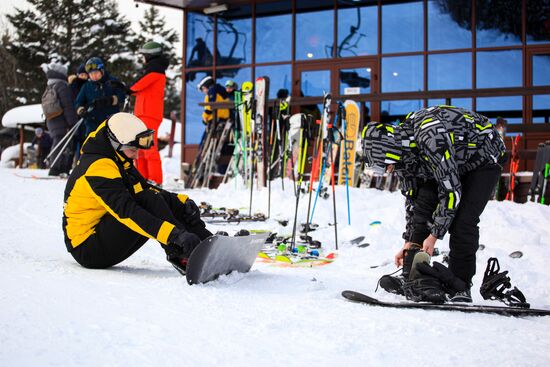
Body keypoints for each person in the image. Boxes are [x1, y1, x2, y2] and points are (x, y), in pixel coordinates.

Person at [362, 105, 506, 303]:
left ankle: (460, 285)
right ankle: (412, 275)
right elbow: (414, 203)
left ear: (389, 150)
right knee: (424, 202)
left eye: (384, 165)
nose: (387, 170)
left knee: (463, 220)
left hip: (483, 158)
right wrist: (409, 243)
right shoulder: (404, 154)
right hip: (450, 161)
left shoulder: (430, 137)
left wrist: (434, 236)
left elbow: (451, 191)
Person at [62, 112, 212, 272]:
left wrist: (181, 202)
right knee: (148, 201)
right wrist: (173, 235)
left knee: (156, 198)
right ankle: (183, 254)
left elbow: (143, 188)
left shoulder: (116, 157)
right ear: (116, 144)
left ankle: (208, 244)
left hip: (101, 231)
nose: (137, 155)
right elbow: (127, 211)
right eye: (133, 150)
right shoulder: (98, 168)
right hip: (88, 247)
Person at [129, 41, 169, 185]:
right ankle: (143, 179)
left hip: (149, 113)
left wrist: (127, 88)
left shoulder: (155, 70)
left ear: (149, 56)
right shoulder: (153, 69)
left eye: (144, 55)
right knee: (141, 149)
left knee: (149, 148)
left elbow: (138, 86)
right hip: (143, 113)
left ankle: (155, 180)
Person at [42, 62, 78, 176]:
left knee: (57, 143)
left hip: (52, 120)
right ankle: (56, 168)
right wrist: (72, 122)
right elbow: (67, 106)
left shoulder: (50, 85)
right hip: (62, 121)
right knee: (61, 144)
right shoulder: (62, 86)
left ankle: (56, 167)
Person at [75, 57, 126, 138]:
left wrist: (111, 100)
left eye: (95, 73)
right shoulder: (86, 86)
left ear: (102, 71)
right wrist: (81, 110)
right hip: (92, 124)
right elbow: (78, 102)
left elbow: (122, 95)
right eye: (91, 74)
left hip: (111, 122)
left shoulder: (112, 82)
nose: (93, 76)